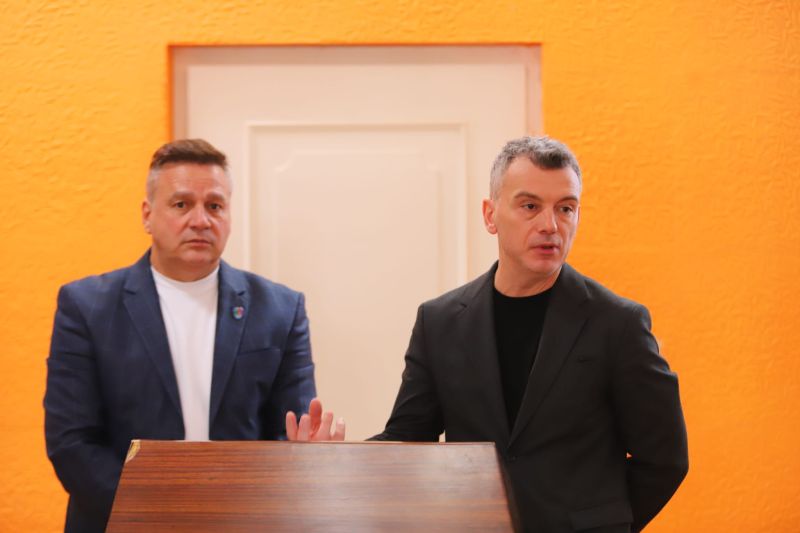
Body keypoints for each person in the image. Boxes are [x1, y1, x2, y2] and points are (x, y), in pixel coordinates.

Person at [303, 136, 689, 532]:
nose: (550, 225)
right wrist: (335, 462)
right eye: (530, 206)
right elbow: (408, 440)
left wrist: (605, 523)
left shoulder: (619, 323)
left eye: (566, 208)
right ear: (490, 215)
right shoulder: (439, 322)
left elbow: (665, 459)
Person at [44, 139, 339, 533]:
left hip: (242, 523)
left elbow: (289, 435)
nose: (200, 220)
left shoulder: (280, 309)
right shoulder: (86, 306)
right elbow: (72, 443)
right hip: (122, 522)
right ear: (147, 215)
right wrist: (162, 515)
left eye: (214, 206)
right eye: (181, 204)